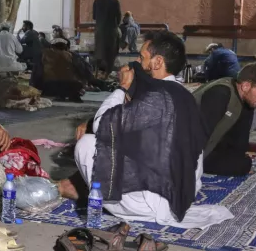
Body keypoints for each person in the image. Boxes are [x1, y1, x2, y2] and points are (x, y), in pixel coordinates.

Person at [66, 30, 233, 228]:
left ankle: (104, 199)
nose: (137, 62)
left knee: (87, 143)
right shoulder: (182, 95)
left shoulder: (156, 97)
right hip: (182, 195)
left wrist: (122, 88)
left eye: (142, 57)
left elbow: (102, 125)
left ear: (157, 62)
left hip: (153, 203)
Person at [195, 63, 256, 176]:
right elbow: (197, 136)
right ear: (245, 86)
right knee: (241, 166)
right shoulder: (220, 94)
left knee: (243, 163)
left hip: (211, 146)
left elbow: (240, 141)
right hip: (189, 150)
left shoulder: (246, 100)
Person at [92, 0, 121, 76]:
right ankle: (107, 75)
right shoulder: (115, 2)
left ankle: (96, 73)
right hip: (111, 31)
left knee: (99, 52)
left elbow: (94, 17)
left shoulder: (97, 1)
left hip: (99, 31)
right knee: (111, 53)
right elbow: (119, 17)